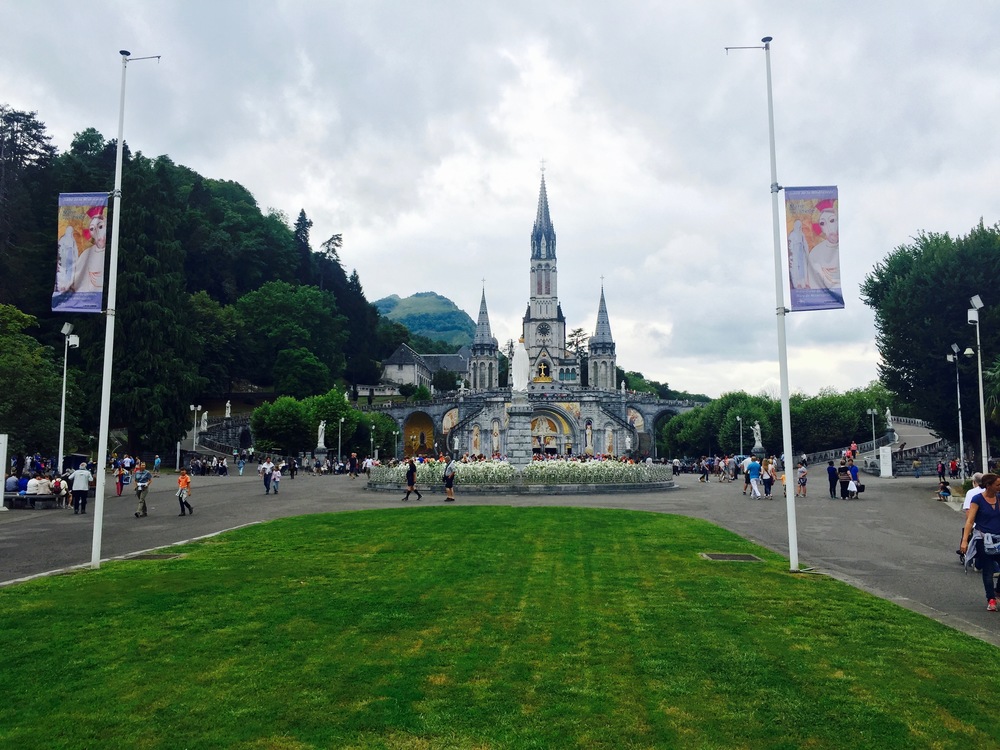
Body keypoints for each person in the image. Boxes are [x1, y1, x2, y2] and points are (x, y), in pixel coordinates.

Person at [959, 473, 1000, 611]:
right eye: (997, 485)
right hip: (983, 540)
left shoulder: (999, 498)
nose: (999, 487)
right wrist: (964, 541)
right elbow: (970, 520)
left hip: (998, 539)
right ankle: (991, 599)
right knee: (988, 570)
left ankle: (998, 591)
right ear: (988, 485)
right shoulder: (977, 499)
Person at [958, 473, 985, 563]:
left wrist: (969, 524)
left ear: (974, 482)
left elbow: (968, 511)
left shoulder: (971, 492)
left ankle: (966, 553)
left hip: (976, 523)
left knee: (970, 537)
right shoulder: (989, 491)